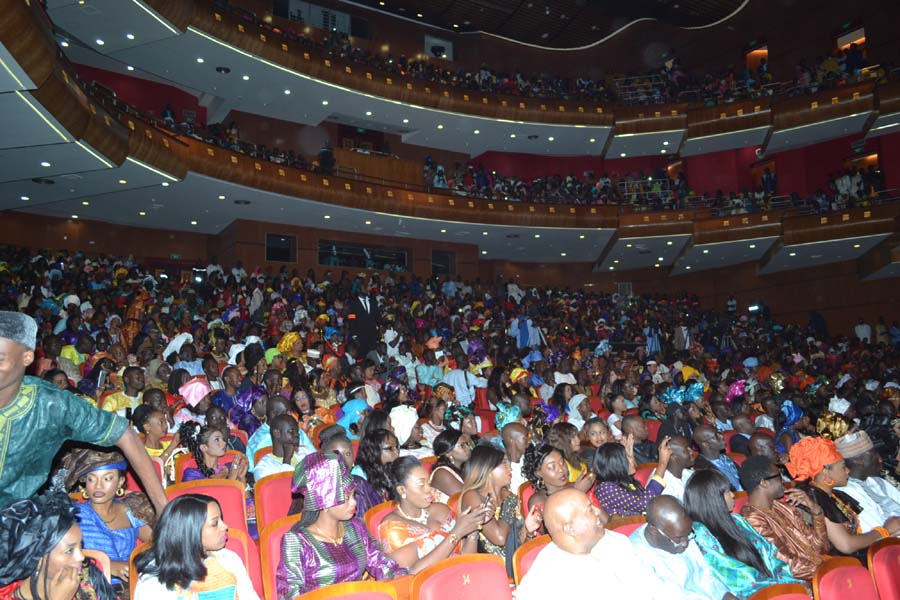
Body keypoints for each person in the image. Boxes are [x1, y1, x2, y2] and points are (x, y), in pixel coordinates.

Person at [0, 311, 166, 511]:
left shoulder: (51, 403)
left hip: (15, 520)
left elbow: (124, 434)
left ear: (27, 357)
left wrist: (163, 509)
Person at [277, 453, 406, 598]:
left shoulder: (356, 527)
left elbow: (380, 562)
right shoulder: (297, 541)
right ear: (323, 501)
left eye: (353, 495)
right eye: (346, 497)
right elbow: (289, 594)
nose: (354, 503)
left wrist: (398, 576)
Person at [514, 488, 670, 600]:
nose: (598, 512)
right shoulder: (548, 572)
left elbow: (653, 586)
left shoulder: (615, 540)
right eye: (589, 509)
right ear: (570, 528)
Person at [684, 469, 801, 598]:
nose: (733, 495)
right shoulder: (701, 533)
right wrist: (778, 589)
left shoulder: (737, 520)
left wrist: (790, 584)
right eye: (727, 492)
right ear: (713, 498)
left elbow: (770, 553)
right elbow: (733, 575)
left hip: (776, 589)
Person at [787, 435, 900, 558]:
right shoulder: (814, 499)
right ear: (826, 473)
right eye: (842, 467)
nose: (847, 471)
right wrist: (884, 531)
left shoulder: (837, 495)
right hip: (851, 566)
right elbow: (846, 545)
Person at [134, 494, 258, 600]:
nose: (224, 526)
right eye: (215, 523)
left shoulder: (229, 559)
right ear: (190, 532)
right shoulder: (154, 580)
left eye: (221, 519)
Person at [61, 449, 154, 585]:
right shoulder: (74, 514)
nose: (98, 486)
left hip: (131, 588)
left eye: (107, 478)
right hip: (89, 589)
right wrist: (107, 564)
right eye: (92, 479)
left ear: (120, 481)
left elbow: (161, 544)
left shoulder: (132, 511)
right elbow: (61, 556)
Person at [379, 456, 488, 573]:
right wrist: (456, 533)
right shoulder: (393, 526)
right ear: (402, 490)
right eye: (421, 484)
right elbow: (412, 572)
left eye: (429, 483)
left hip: (463, 575)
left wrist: (473, 528)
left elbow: (467, 557)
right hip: (431, 587)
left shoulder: (440, 509)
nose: (429, 489)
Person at [0, 492, 116, 600]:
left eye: (80, 545)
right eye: (69, 550)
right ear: (37, 559)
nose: (81, 557)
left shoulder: (88, 577)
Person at [738, 455, 829, 580]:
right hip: (801, 583)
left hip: (821, 570)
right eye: (779, 477)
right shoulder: (752, 519)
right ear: (764, 483)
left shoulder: (784, 508)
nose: (784, 482)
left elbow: (821, 547)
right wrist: (826, 569)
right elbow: (787, 565)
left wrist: (816, 511)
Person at [629, 496, 736, 600]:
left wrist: (724, 594)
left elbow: (704, 573)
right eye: (678, 538)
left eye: (688, 534)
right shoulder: (636, 558)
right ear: (654, 531)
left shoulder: (682, 534)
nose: (685, 543)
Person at [458, 446, 543, 573]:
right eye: (504, 463)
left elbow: (518, 542)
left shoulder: (509, 496)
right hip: (489, 572)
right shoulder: (472, 496)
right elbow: (499, 538)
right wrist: (508, 504)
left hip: (514, 566)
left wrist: (529, 531)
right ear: (488, 469)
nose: (510, 467)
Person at [835, 431, 900, 531]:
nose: (880, 460)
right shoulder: (845, 493)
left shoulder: (878, 481)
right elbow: (875, 530)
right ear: (860, 461)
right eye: (874, 455)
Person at [593, 438, 672, 516]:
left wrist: (631, 456)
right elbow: (645, 503)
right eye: (627, 458)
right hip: (629, 527)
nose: (632, 461)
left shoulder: (623, 480)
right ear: (616, 464)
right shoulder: (605, 488)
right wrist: (662, 463)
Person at [179, 421, 249, 485]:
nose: (224, 443)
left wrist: (242, 478)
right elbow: (210, 497)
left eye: (223, 439)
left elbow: (246, 498)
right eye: (217, 440)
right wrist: (231, 479)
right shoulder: (192, 475)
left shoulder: (230, 467)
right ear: (204, 447)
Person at [253, 414, 311, 480]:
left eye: (297, 431)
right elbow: (284, 487)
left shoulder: (306, 451)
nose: (297, 435)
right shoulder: (263, 467)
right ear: (277, 433)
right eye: (291, 431)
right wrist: (287, 460)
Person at [352, 428, 400, 501]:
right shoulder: (359, 474)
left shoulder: (391, 467)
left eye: (396, 447)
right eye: (390, 448)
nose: (396, 451)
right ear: (374, 450)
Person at [693, 425, 743, 491]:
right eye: (716, 436)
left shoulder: (725, 458)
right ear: (705, 444)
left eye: (719, 433)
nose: (722, 436)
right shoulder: (701, 468)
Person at [429, 428, 471, 503]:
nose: (468, 448)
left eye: (467, 444)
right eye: (462, 445)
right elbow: (467, 500)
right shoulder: (441, 473)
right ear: (448, 453)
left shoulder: (465, 467)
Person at [661, 435, 695, 502]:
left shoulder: (688, 473)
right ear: (672, 456)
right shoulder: (663, 487)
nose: (691, 451)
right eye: (686, 449)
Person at [502, 422, 530, 494]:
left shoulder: (528, 458)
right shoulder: (506, 470)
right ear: (512, 440)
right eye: (525, 438)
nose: (529, 441)